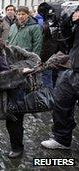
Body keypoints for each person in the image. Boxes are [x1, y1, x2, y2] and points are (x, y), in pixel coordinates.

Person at [41, 7, 79, 150]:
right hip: (73, 69)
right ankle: (62, 139)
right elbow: (68, 43)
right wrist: (66, 24)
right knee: (60, 102)